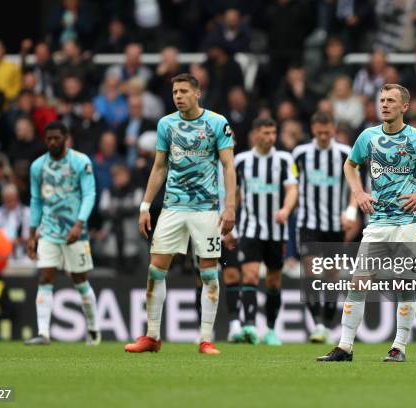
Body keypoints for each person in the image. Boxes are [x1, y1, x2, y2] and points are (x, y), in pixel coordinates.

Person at [318, 84, 416, 363]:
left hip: (408, 223)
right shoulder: (368, 137)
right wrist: (358, 192)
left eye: (391, 101)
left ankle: (399, 347)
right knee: (358, 282)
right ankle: (345, 347)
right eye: (382, 100)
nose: (384, 105)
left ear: (404, 107)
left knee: (405, 286)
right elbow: (350, 165)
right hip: (378, 222)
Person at [124, 73, 236, 355]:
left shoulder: (217, 123)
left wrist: (230, 205)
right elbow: (159, 167)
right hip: (173, 208)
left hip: (206, 210)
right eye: (175, 92)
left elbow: (228, 166)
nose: (178, 96)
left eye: (184, 91)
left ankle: (205, 339)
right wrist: (145, 206)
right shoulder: (166, 124)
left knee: (209, 273)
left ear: (197, 94)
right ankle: (151, 336)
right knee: (155, 268)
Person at [25, 121, 99, 346]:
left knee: (79, 280)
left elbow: (89, 194)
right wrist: (31, 233)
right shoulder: (38, 167)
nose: (52, 142)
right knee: (45, 277)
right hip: (48, 231)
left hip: (75, 232)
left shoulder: (80, 162)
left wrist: (79, 224)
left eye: (57, 138)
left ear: (66, 138)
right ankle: (44, 333)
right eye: (48, 138)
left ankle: (94, 329)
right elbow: (36, 199)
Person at [231, 117, 298, 346]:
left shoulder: (285, 159)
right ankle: (249, 325)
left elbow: (292, 189)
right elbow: (236, 196)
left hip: (276, 231)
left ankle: (270, 329)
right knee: (249, 275)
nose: (271, 137)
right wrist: (228, 222)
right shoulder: (241, 160)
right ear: (255, 135)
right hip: (250, 228)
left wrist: (286, 209)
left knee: (273, 281)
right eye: (266, 133)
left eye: (273, 132)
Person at [293, 111, 357, 343]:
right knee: (311, 269)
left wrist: (351, 211)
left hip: (334, 224)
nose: (322, 136)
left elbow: (355, 186)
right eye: (319, 132)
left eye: (326, 132)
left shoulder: (345, 153)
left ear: (333, 129)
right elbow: (292, 185)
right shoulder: (300, 154)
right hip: (308, 222)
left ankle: (327, 323)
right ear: (313, 130)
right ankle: (317, 323)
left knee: (331, 274)